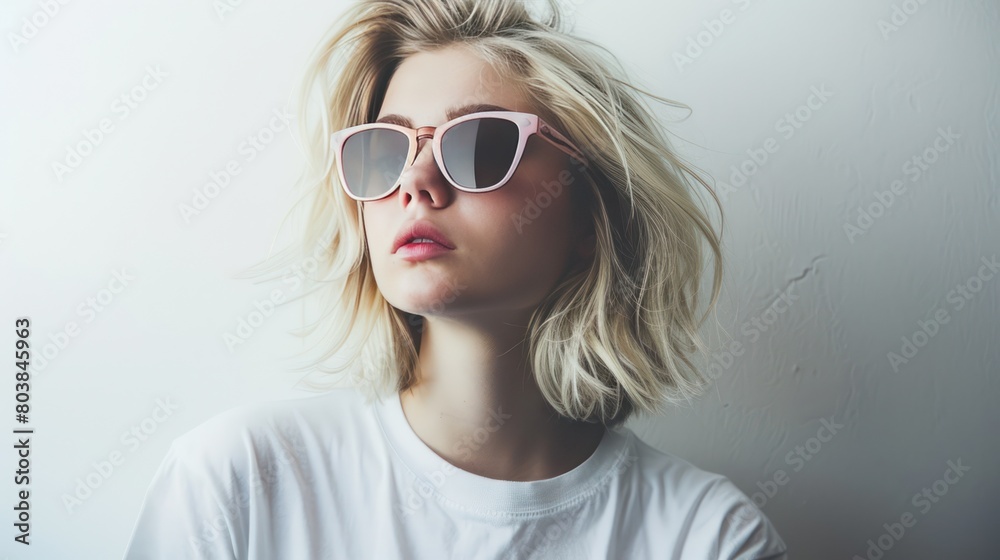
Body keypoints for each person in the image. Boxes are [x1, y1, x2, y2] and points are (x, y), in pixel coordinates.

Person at [122, 0, 788, 558]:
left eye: (479, 144)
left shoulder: (705, 538)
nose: (415, 180)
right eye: (384, 150)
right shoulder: (236, 484)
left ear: (591, 215)